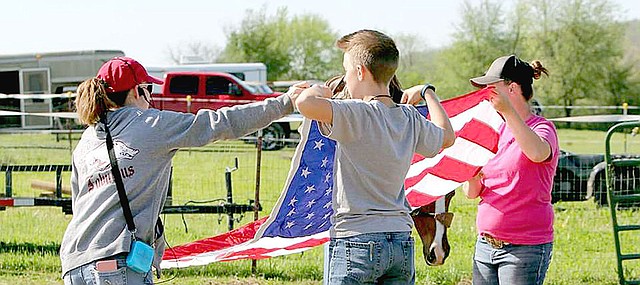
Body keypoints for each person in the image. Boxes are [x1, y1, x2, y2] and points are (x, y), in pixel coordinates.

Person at [60, 56, 302, 284]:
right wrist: (285, 102)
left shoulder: (87, 140)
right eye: (149, 89)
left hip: (74, 262)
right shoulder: (151, 125)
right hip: (116, 261)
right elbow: (220, 123)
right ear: (138, 91)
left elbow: (78, 201)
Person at [295, 29, 455, 284]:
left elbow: (305, 104)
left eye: (347, 71)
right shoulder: (409, 118)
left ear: (360, 72)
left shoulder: (355, 113)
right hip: (400, 239)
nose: (346, 79)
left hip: (355, 239)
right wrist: (428, 92)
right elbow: (447, 137)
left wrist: (318, 90)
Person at [462, 55, 558, 285]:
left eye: (492, 88)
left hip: (525, 247)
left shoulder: (543, 128)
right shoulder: (492, 130)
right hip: (486, 245)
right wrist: (471, 175)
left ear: (512, 88)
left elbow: (537, 153)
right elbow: (471, 192)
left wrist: (508, 113)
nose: (486, 94)